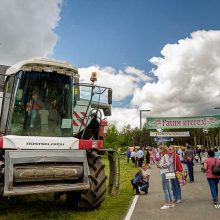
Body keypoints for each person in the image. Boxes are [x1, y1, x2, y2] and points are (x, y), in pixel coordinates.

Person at [157, 145, 174, 209]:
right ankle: (171, 203)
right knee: (168, 188)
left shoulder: (165, 156)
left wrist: (160, 166)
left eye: (160, 149)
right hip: (165, 173)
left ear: (163, 150)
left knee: (165, 188)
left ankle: (167, 203)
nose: (159, 150)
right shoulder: (164, 156)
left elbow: (167, 164)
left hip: (164, 173)